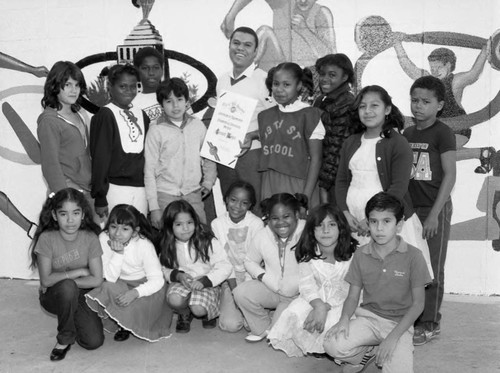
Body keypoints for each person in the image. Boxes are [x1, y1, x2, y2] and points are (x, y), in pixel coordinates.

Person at [323, 192, 432, 373]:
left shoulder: (414, 256)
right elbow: (352, 296)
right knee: (332, 344)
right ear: (368, 223)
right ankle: (363, 354)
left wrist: (392, 338)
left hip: (400, 325)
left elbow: (419, 304)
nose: (379, 228)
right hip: (369, 319)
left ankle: (382, 347)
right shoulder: (361, 254)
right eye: (373, 221)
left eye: (386, 221)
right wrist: (343, 320)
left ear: (399, 224)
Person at [335, 85, 432, 273]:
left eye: (374, 106)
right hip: (353, 221)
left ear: (387, 109)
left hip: (385, 220)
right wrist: (346, 214)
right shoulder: (350, 142)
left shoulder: (398, 143)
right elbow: (341, 182)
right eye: (362, 107)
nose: (368, 111)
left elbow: (398, 187)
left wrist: (371, 219)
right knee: (359, 276)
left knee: (393, 275)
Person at [403, 76, 456, 346]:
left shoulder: (442, 132)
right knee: (411, 267)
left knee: (432, 268)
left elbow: (450, 175)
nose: (418, 106)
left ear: (440, 105)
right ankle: (411, 318)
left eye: (426, 101)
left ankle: (430, 323)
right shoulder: (407, 134)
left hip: (435, 209)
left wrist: (435, 213)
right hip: (410, 212)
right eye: (414, 100)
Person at [267, 203, 357, 357]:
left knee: (336, 328)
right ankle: (314, 345)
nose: (326, 230)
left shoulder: (352, 255)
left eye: (332, 224)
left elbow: (347, 288)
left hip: (343, 301)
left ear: (341, 228)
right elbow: (307, 285)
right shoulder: (308, 254)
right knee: (294, 315)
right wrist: (318, 306)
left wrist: (325, 307)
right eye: (319, 226)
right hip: (314, 299)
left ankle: (331, 348)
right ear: (311, 230)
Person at [394, 39, 494, 173]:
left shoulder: (455, 82)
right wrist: (397, 45)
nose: (434, 71)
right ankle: (484, 153)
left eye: (438, 67)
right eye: (432, 68)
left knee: (437, 153)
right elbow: (408, 67)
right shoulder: (428, 80)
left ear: (448, 65)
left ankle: (483, 153)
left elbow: (474, 74)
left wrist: (484, 51)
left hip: (458, 129)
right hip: (438, 129)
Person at [29, 188, 104, 361]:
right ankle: (64, 338)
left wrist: (64, 279)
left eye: (76, 213)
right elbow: (46, 280)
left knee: (93, 342)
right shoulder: (47, 238)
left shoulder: (90, 238)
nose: (70, 220)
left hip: (82, 294)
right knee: (67, 287)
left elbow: (97, 279)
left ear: (83, 214)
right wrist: (78, 273)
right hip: (53, 296)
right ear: (55, 216)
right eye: (63, 214)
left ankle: (74, 319)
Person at [85, 204, 172, 342]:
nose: (117, 233)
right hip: (120, 282)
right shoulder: (103, 238)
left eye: (125, 229)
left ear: (135, 231)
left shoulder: (144, 245)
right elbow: (109, 278)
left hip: (145, 286)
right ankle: (121, 323)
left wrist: (135, 293)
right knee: (106, 287)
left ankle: (126, 323)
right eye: (113, 227)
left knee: (135, 305)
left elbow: (157, 280)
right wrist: (118, 254)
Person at [233, 193, 307, 342]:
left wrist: (296, 285)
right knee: (240, 292)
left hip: (300, 295)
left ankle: (275, 325)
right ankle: (263, 327)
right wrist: (263, 276)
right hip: (273, 290)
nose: (281, 223)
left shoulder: (307, 232)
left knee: (279, 337)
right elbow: (249, 261)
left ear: (297, 215)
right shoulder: (263, 235)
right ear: (268, 218)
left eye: (286, 216)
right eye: (275, 218)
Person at [144, 78, 216, 226]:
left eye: (179, 99)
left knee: (199, 235)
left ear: (187, 101)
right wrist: (154, 207)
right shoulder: (156, 129)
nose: (175, 105)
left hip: (193, 194)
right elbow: (149, 170)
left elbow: (209, 156)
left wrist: (208, 182)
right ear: (161, 105)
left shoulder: (197, 125)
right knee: (168, 241)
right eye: (169, 101)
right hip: (164, 195)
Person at [216, 26, 272, 212]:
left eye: (248, 45)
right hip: (224, 155)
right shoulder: (222, 80)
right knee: (231, 209)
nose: (241, 48)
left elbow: (277, 121)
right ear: (229, 45)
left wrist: (253, 135)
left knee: (254, 208)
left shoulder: (264, 80)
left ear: (256, 51)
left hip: (252, 155)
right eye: (236, 43)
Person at [158, 200, 232, 333]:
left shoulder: (207, 241)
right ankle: (184, 313)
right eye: (179, 224)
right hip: (182, 282)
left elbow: (224, 265)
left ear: (195, 222)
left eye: (189, 223)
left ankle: (208, 311)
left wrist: (206, 280)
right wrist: (177, 275)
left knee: (198, 309)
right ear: (170, 227)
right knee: (174, 299)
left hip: (207, 282)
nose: (185, 228)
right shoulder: (167, 245)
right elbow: (163, 269)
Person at [258, 62, 324, 208]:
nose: (279, 90)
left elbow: (316, 159)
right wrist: (251, 136)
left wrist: (306, 195)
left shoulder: (310, 115)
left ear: (299, 86)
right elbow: (276, 134)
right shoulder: (265, 116)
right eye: (276, 84)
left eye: (286, 85)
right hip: (270, 181)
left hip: (299, 182)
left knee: (299, 226)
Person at [90, 64, 150, 220]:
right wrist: (100, 196)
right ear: (110, 87)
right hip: (114, 190)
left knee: (139, 234)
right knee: (114, 236)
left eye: (133, 86)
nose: (129, 91)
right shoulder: (105, 114)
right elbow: (100, 159)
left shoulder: (141, 115)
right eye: (123, 86)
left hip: (141, 190)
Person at [37, 62, 95, 213]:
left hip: (88, 191)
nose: (73, 90)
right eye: (68, 84)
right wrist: (64, 197)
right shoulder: (49, 121)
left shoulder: (81, 114)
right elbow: (50, 165)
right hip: (67, 193)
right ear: (54, 86)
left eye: (77, 85)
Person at [210, 180, 264, 332]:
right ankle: (225, 298)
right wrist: (234, 289)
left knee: (252, 325)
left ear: (250, 205)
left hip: (251, 276)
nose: (237, 207)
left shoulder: (256, 224)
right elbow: (222, 261)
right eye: (233, 200)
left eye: (244, 203)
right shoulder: (217, 224)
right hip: (228, 277)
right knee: (230, 325)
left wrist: (244, 289)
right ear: (226, 199)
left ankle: (253, 307)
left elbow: (254, 260)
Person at [312, 54, 356, 205]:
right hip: (321, 175)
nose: (324, 79)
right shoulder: (321, 100)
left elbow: (336, 150)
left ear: (345, 77)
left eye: (332, 75)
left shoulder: (347, 104)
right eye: (322, 74)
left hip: (336, 181)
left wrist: (324, 186)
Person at [132, 47, 164, 125]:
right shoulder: (133, 104)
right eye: (145, 68)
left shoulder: (174, 96)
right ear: (137, 71)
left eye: (156, 68)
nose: (151, 73)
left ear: (162, 70)